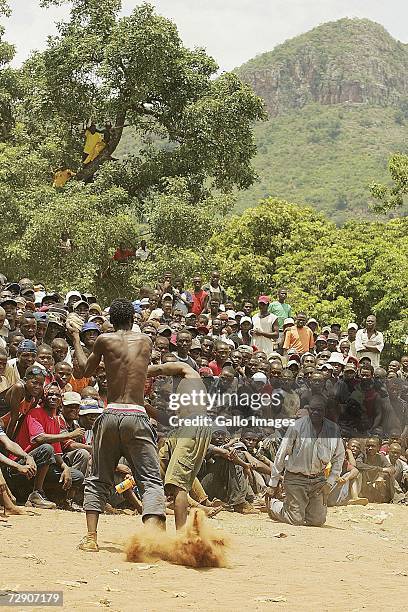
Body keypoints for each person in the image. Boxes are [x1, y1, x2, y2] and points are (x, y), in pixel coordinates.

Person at [68, 298, 198, 551]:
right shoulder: (146, 341)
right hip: (137, 415)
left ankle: (91, 538)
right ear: (133, 319)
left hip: (111, 412)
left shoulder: (104, 340)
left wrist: (75, 336)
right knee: (150, 480)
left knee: (97, 477)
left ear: (111, 321)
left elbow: (83, 370)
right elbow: (141, 368)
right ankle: (153, 537)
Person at [267, 394, 345, 526]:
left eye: (319, 410)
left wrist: (329, 483)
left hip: (318, 480)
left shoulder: (333, 429)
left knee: (317, 521)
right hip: (295, 478)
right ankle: (274, 505)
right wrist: (273, 484)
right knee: (296, 520)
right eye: (312, 409)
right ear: (308, 409)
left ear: (325, 411)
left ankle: (301, 508)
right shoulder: (296, 427)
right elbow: (281, 454)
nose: (315, 412)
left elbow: (339, 457)